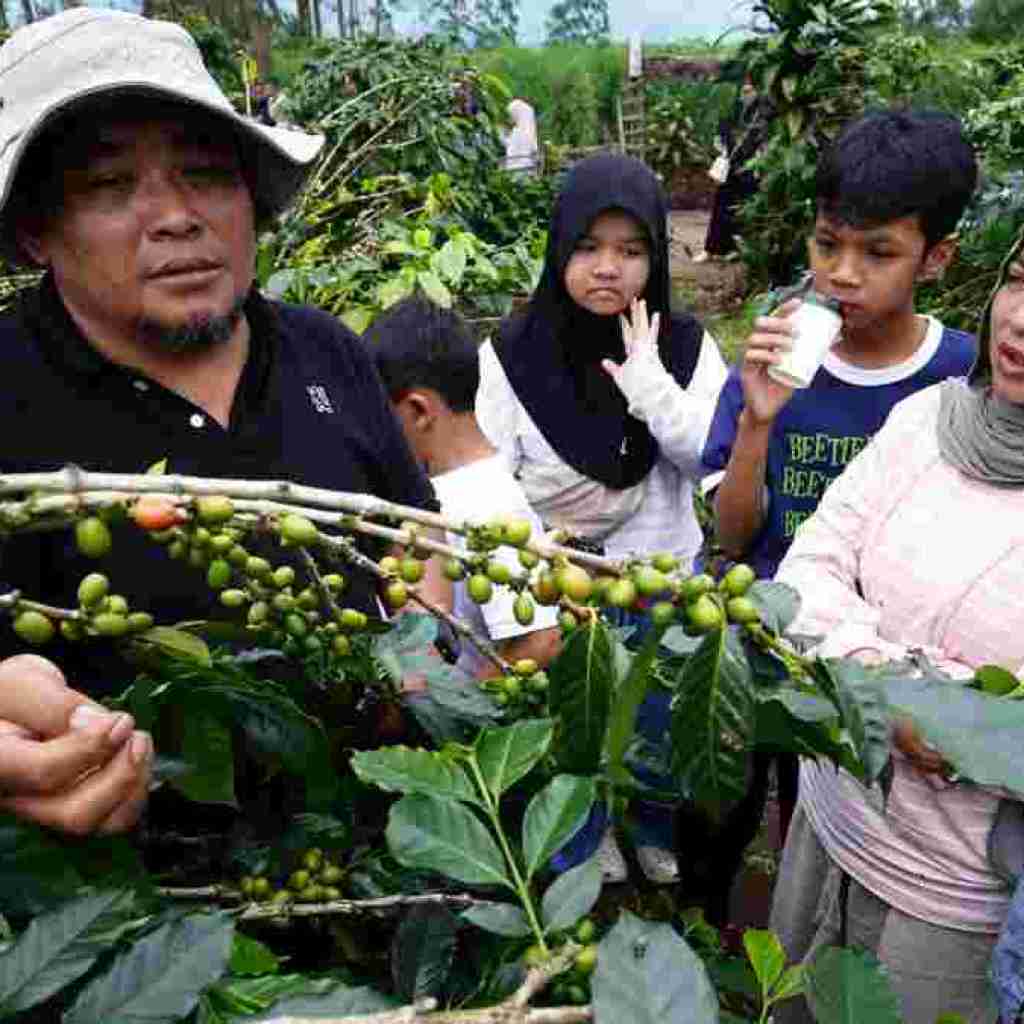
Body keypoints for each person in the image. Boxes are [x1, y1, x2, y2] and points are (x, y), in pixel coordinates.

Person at [0, 9, 449, 829]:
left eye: (206, 174)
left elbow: (413, 532)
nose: (176, 216)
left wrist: (421, 665)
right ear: (36, 231)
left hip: (373, 851)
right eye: (109, 185)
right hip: (134, 909)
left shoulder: (328, 352)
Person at [696, 109, 977, 923]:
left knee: (893, 817)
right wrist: (757, 419)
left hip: (900, 664)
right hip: (787, 651)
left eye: (878, 253)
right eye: (828, 246)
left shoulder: (961, 376)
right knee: (797, 808)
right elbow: (733, 535)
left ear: (937, 258)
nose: (843, 274)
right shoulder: (781, 359)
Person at [767, 231, 1024, 1024]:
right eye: (1018, 282)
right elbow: (806, 573)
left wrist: (941, 713)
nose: (1019, 322)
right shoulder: (927, 422)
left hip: (953, 892)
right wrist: (890, 687)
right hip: (830, 819)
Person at [476, 151, 727, 885]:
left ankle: (649, 824)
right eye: (587, 247)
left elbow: (706, 460)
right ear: (559, 249)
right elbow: (490, 478)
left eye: (631, 250)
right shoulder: (513, 353)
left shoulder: (683, 347)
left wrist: (651, 389)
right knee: (572, 718)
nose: (607, 269)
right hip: (559, 586)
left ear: (655, 258)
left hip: (659, 578)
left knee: (653, 711)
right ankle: (584, 837)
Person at [366, 295, 561, 679]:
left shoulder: (490, 503)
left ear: (419, 411)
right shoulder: (449, 489)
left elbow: (540, 640)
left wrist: (461, 710)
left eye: (375, 415)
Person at [695, 73, 772, 263]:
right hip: (731, 167)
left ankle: (736, 250)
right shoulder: (734, 111)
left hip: (749, 170)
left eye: (749, 91)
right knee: (721, 206)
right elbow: (722, 134)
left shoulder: (763, 113)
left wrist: (759, 160)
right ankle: (711, 249)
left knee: (744, 209)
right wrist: (722, 147)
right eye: (743, 91)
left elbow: (765, 140)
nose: (745, 95)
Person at [503, 99, 538, 176]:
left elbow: (509, 146)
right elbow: (534, 150)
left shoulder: (517, 132)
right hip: (528, 168)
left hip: (515, 169)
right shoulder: (529, 130)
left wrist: (504, 134)